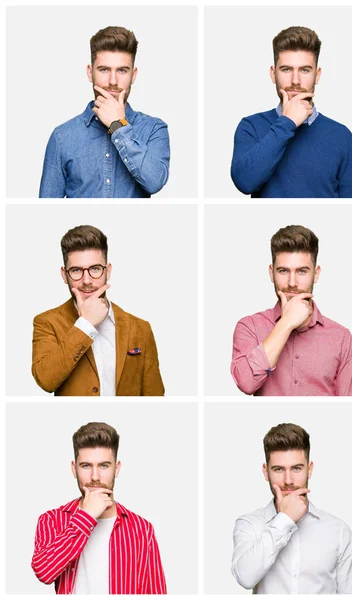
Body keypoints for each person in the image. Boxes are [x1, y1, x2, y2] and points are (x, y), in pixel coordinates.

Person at [32, 422, 167, 594]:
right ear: (74, 469)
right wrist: (86, 516)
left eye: (104, 465)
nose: (95, 477)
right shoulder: (52, 520)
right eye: (86, 466)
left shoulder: (142, 528)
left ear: (116, 468)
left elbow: (156, 593)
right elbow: (44, 572)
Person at [231, 26, 352, 198]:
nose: (295, 80)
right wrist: (287, 121)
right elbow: (245, 182)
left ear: (317, 75)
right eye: (286, 69)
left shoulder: (341, 136)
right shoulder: (251, 127)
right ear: (273, 74)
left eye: (305, 70)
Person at [32, 225, 164, 395]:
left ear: (107, 271)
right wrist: (85, 325)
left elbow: (154, 397)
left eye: (95, 269)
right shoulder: (47, 322)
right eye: (76, 270)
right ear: (64, 275)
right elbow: (46, 380)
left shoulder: (141, 328)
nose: (87, 280)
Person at [232, 423, 352, 593]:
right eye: (278, 469)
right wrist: (285, 519)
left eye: (296, 468)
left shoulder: (338, 530)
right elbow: (245, 577)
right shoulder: (249, 524)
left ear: (309, 470)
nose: (288, 480)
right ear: (266, 472)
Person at [39, 26, 170, 198]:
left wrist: (118, 125)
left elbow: (154, 182)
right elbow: (48, 206)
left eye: (122, 70)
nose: (113, 81)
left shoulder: (153, 129)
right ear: (90, 73)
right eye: (104, 70)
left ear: (134, 75)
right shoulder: (62, 137)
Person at [231, 225, 352, 395]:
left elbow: (350, 409)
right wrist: (286, 323)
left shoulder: (341, 338)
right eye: (283, 271)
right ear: (271, 273)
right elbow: (247, 383)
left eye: (302, 271)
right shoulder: (250, 327)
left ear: (316, 274)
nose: (292, 282)